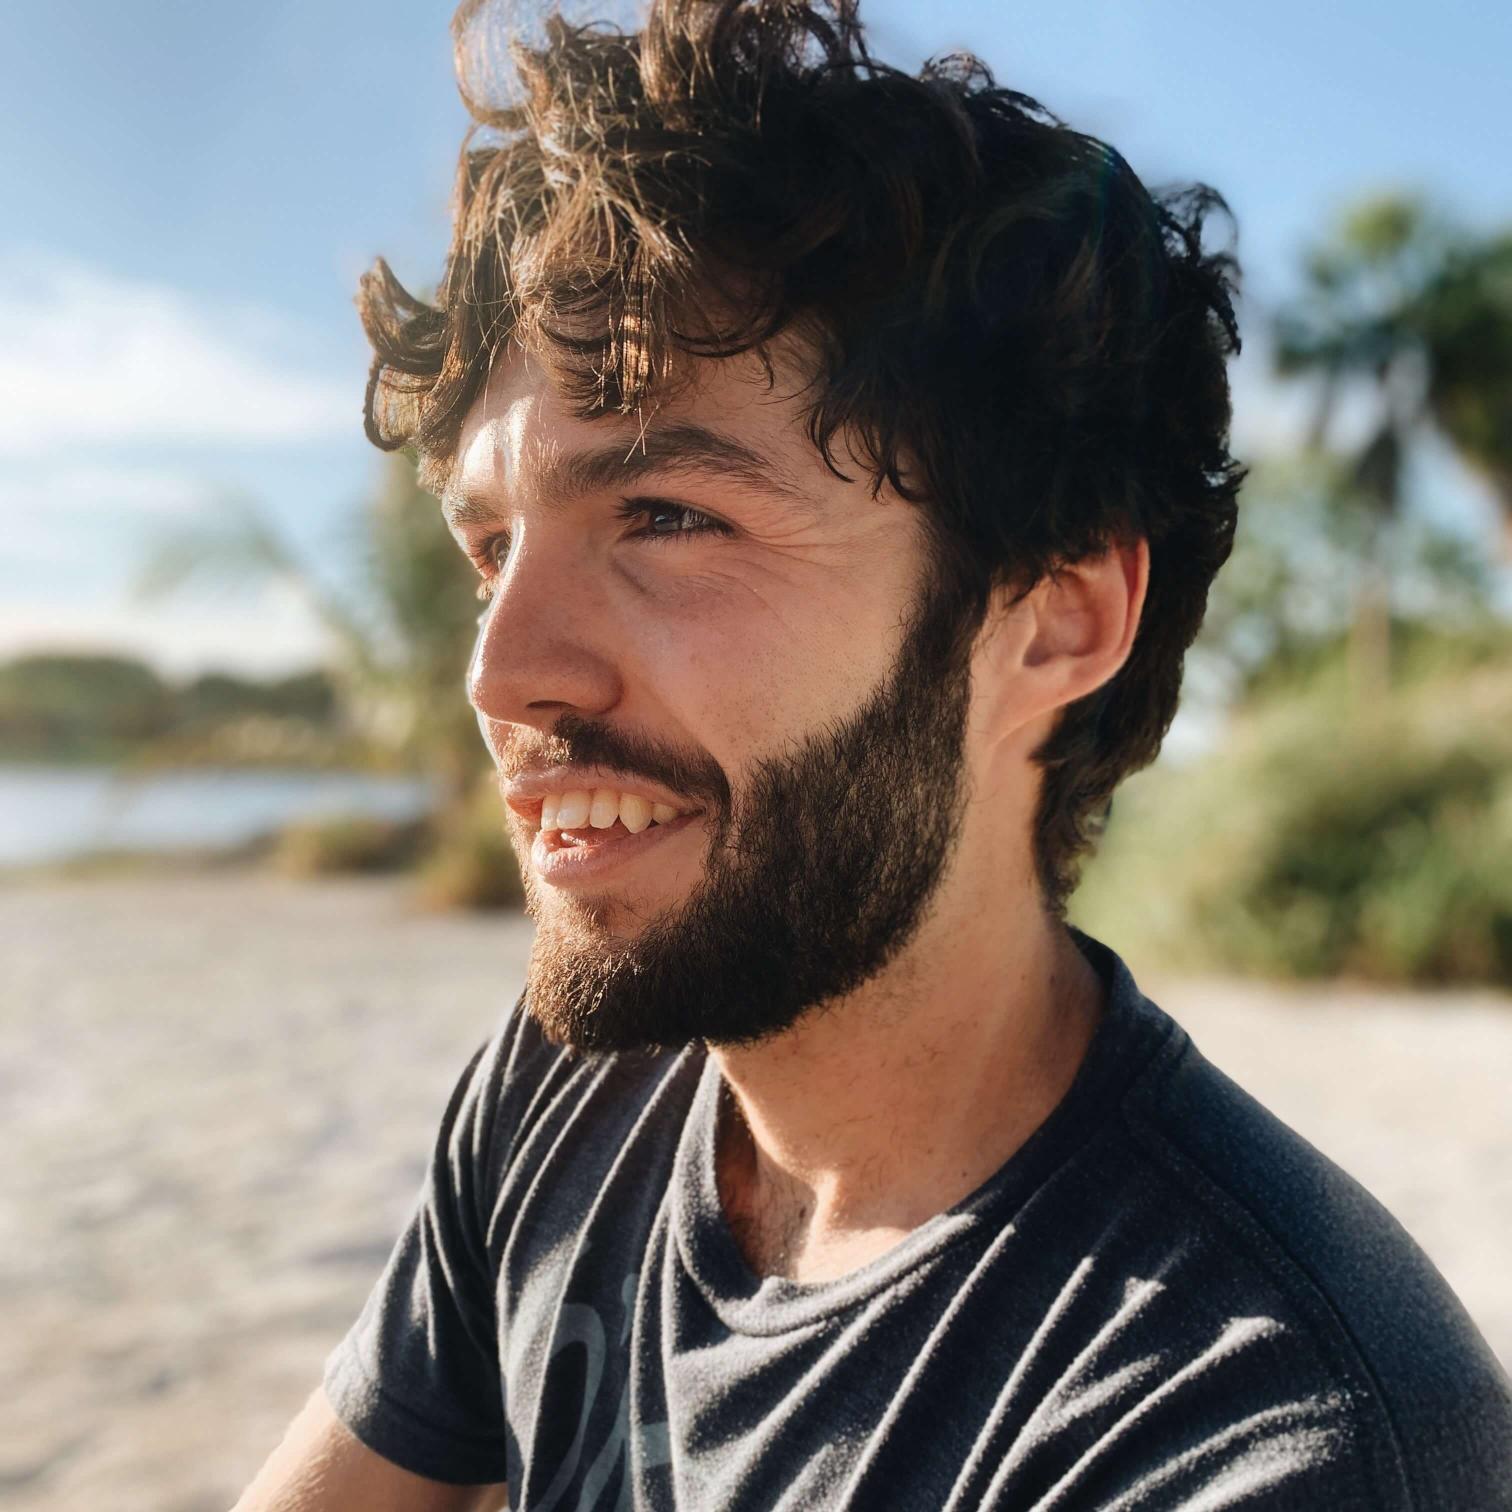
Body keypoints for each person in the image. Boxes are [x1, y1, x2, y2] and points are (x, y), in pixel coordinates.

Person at [234, 1, 1512, 1507]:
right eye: (493, 547)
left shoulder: (1256, 1429)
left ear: (1055, 623)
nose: (499, 671)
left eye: (668, 518)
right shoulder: (568, 1095)